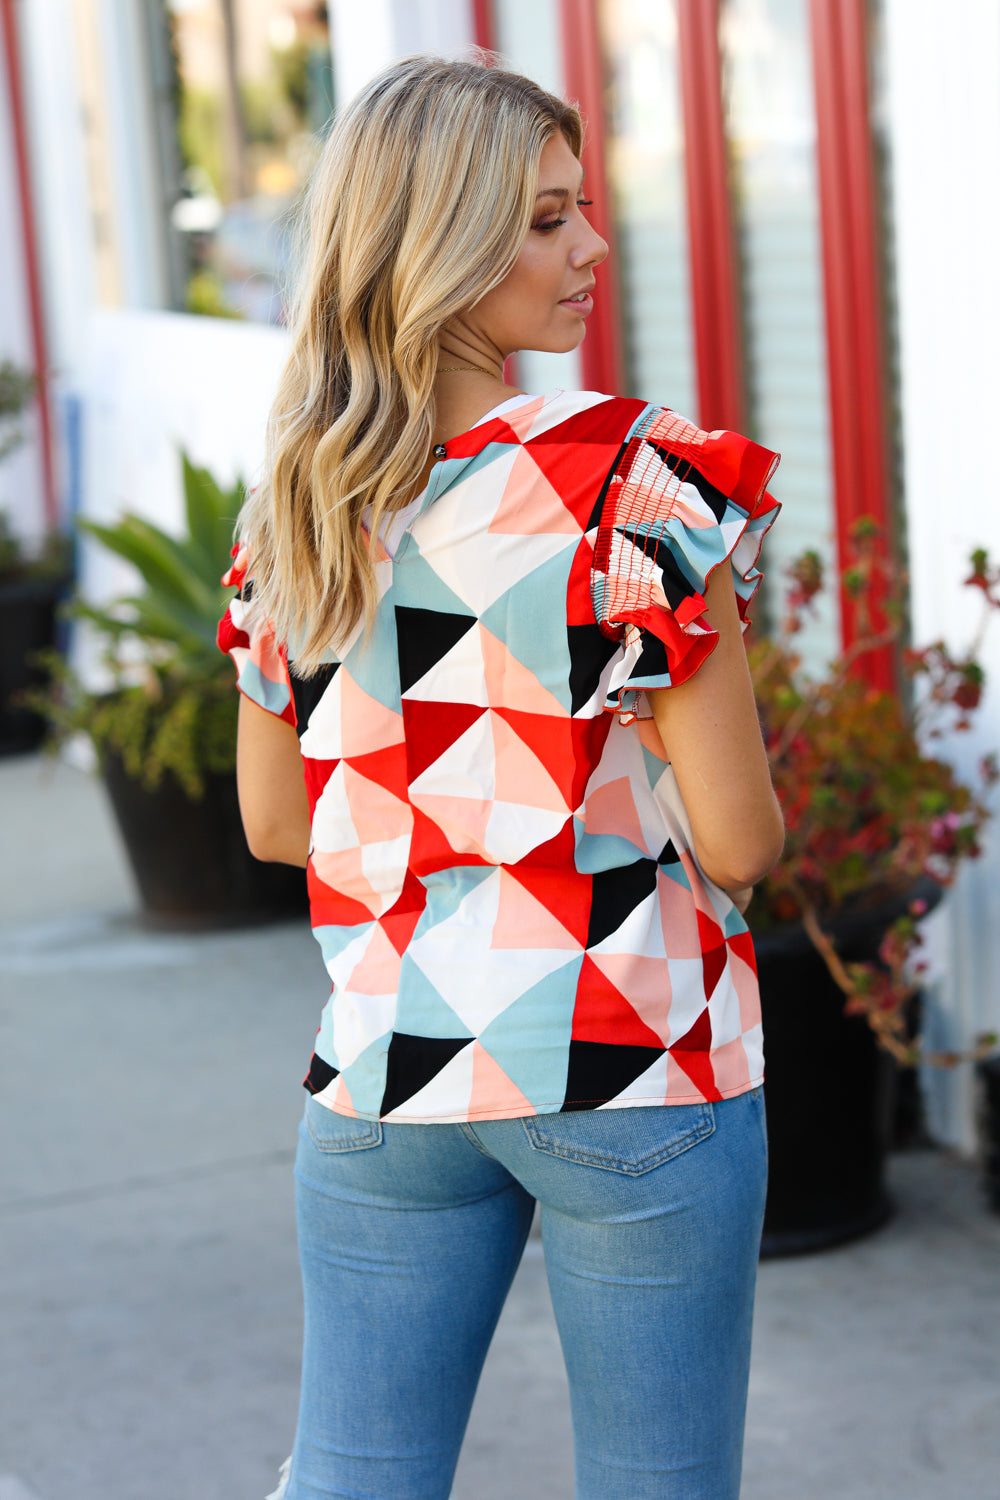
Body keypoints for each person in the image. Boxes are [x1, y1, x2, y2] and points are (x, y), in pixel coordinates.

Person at [218, 54, 785, 1500]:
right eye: (544, 219)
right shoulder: (632, 488)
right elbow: (740, 840)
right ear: (435, 239)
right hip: (631, 1057)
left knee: (353, 1476)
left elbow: (280, 826)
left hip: (389, 1064)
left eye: (583, 207)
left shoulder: (302, 502)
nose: (592, 246)